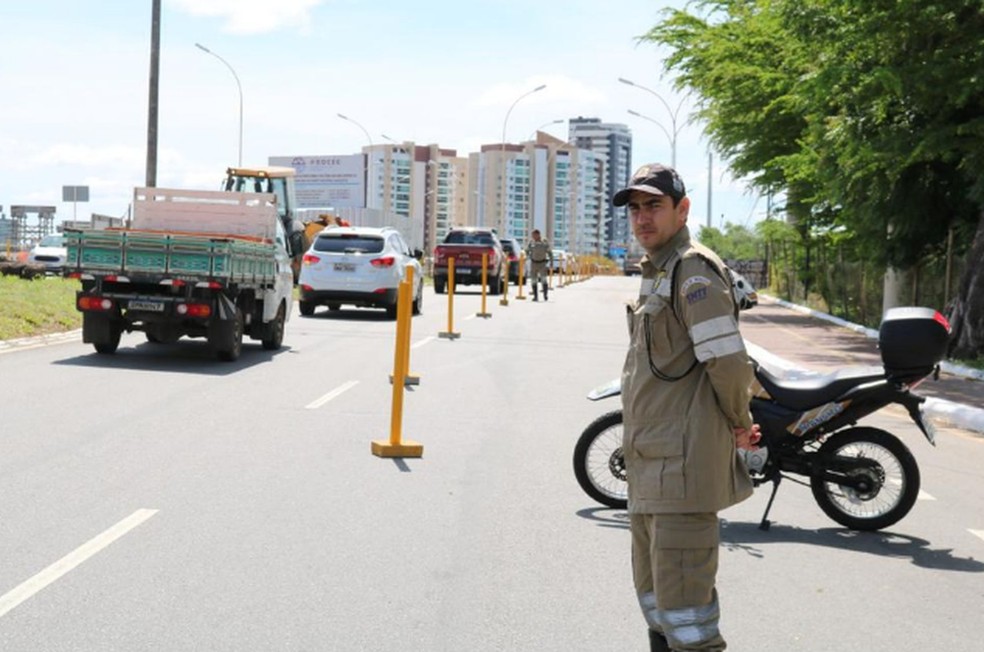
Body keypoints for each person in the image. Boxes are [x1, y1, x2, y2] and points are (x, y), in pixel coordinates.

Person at [613, 163, 761, 652]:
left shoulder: (692, 270)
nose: (642, 218)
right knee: (658, 607)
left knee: (689, 622)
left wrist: (741, 424)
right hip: (650, 467)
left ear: (682, 209)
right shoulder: (656, 271)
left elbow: (726, 360)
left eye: (653, 206)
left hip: (680, 471)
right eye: (635, 209)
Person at [525, 229, 553, 301]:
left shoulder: (544, 242)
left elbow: (550, 253)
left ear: (538, 234)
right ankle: (535, 296)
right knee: (533, 280)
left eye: (534, 235)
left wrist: (551, 263)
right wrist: (526, 255)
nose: (533, 236)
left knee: (544, 280)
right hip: (534, 263)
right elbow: (527, 250)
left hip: (542, 264)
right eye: (532, 235)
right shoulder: (531, 242)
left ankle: (545, 295)